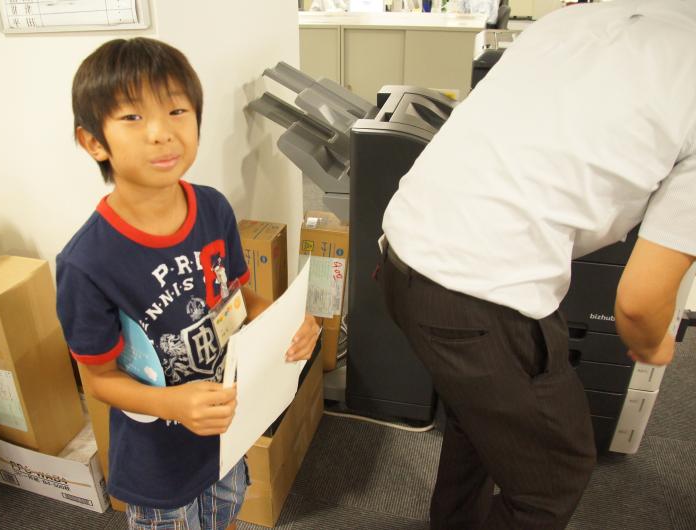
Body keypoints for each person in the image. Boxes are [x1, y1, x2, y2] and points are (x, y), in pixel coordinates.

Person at [378, 1, 696, 528]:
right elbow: (640, 304)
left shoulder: (575, 20)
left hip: (401, 258)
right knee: (554, 478)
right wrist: (652, 345)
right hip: (478, 295)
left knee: (477, 422)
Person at [56, 37, 319, 530]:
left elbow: (237, 299)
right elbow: (98, 379)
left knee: (227, 514)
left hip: (227, 430)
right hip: (157, 462)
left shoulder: (212, 208)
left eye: (177, 110)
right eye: (133, 117)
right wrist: (172, 404)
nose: (161, 133)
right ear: (93, 142)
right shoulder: (87, 262)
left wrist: (288, 323)